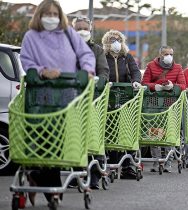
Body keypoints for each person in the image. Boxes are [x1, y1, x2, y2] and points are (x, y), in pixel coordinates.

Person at [20, 0, 95, 206]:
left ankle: (38, 178)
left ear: (60, 15)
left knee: (61, 139)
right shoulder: (31, 37)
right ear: (39, 15)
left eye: (55, 13)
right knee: (44, 138)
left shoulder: (68, 34)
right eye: (47, 13)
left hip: (66, 95)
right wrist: (43, 70)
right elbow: (26, 61)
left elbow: (85, 54)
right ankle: (48, 186)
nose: (51, 17)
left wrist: (88, 71)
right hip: (41, 96)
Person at [73, 16, 109, 188]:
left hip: (92, 99)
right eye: (78, 28)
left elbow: (103, 71)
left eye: (84, 28)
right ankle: (75, 172)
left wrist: (99, 81)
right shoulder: (67, 48)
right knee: (73, 136)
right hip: (71, 99)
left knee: (92, 136)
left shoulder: (97, 50)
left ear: (90, 30)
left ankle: (94, 174)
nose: (82, 31)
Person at [101, 30, 142, 179]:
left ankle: (127, 166)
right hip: (109, 98)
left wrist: (136, 81)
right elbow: (101, 72)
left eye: (118, 39)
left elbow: (136, 71)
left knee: (126, 130)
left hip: (125, 97)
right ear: (106, 42)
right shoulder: (103, 57)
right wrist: (105, 83)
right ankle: (112, 163)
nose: (115, 42)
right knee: (111, 129)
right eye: (112, 39)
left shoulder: (127, 57)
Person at [142, 46, 186, 173]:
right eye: (166, 54)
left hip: (171, 104)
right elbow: (144, 83)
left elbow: (183, 86)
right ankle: (157, 161)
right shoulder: (151, 66)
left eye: (171, 54)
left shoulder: (177, 68)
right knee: (156, 132)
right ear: (160, 55)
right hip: (154, 105)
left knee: (170, 133)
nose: (169, 56)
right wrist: (155, 87)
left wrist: (173, 86)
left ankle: (168, 162)